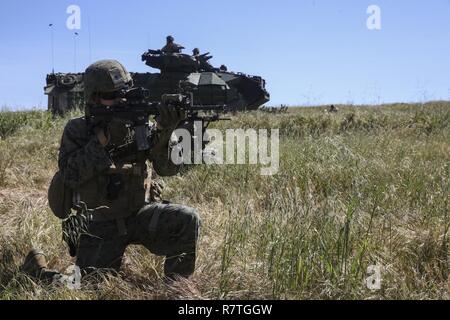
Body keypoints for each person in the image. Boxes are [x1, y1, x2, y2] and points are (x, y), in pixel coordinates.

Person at [22, 60, 200, 282]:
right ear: (93, 97)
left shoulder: (140, 124)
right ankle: (36, 271)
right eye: (112, 95)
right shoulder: (78, 129)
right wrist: (103, 141)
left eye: (124, 93)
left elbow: (167, 169)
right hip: (99, 223)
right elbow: (70, 175)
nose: (121, 100)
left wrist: (165, 130)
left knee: (187, 219)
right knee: (87, 288)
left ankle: (177, 290)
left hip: (138, 214)